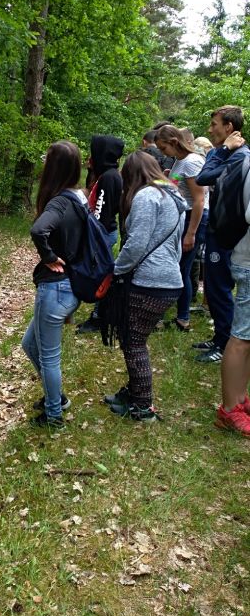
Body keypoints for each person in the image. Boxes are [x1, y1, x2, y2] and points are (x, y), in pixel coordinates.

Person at [103, 151, 186, 422]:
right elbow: (174, 245)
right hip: (169, 279)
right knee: (135, 338)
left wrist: (116, 270)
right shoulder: (172, 196)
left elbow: (136, 243)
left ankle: (142, 405)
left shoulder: (146, 197)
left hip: (151, 281)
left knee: (134, 341)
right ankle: (134, 393)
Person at [22, 141, 87, 429]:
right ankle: (55, 397)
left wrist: (48, 256)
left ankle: (54, 414)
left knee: (49, 357)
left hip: (56, 288)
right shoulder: (80, 198)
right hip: (70, 286)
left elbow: (38, 230)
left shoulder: (59, 201)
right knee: (29, 344)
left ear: (54, 166)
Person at [194, 106, 250, 362]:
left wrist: (224, 150)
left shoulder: (239, 157)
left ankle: (224, 344)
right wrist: (222, 150)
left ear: (229, 127)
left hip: (229, 236)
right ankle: (219, 338)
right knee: (215, 289)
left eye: (214, 124)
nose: (210, 129)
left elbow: (203, 177)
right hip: (219, 232)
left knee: (220, 290)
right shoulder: (226, 154)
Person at [155, 124, 208, 331]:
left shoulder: (192, 162)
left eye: (163, 148)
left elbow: (199, 200)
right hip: (182, 218)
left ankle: (183, 318)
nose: (162, 152)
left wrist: (191, 233)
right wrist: (165, 179)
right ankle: (180, 316)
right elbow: (177, 187)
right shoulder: (179, 161)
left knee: (181, 269)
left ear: (174, 142)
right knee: (179, 268)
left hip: (193, 219)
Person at [215, 163, 250, 436]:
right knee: (241, 338)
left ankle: (238, 399)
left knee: (247, 338)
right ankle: (229, 409)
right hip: (248, 262)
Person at [76, 135, 124, 333]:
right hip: (102, 232)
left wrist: (93, 237)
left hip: (102, 234)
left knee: (100, 277)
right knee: (100, 275)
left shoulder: (109, 177)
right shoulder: (106, 174)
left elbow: (101, 212)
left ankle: (99, 317)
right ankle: (100, 315)